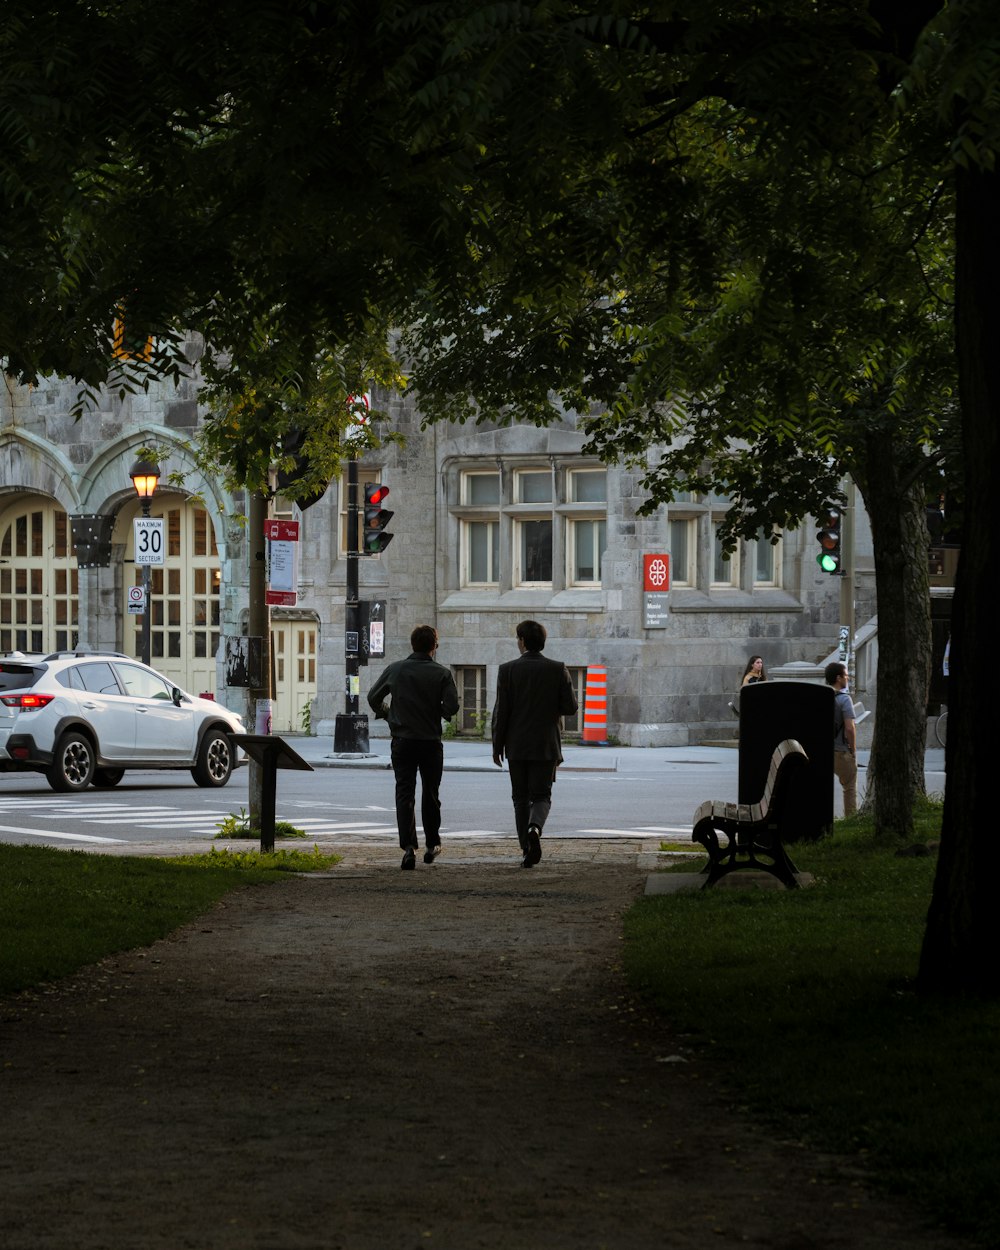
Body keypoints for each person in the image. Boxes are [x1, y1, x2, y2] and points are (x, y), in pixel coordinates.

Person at [368, 625, 459, 870]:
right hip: (430, 742)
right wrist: (434, 711)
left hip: (402, 741)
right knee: (431, 793)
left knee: (404, 793)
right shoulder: (441, 673)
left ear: (412, 645)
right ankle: (432, 843)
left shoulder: (395, 669)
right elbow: (452, 707)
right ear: (434, 646)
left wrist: (388, 714)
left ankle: (409, 847)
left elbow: (373, 697)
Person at [491, 620, 578, 868]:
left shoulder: (507, 670)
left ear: (522, 641)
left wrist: (497, 746)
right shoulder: (557, 669)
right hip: (545, 745)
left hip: (516, 745)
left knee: (519, 798)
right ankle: (535, 827)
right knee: (542, 796)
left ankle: (526, 848)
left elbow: (502, 712)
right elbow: (570, 707)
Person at [825, 660, 857, 817]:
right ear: (838, 678)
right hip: (840, 750)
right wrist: (852, 750)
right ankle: (851, 820)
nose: (848, 678)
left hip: (824, 750)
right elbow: (850, 728)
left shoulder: (822, 697)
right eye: (846, 675)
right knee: (849, 786)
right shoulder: (845, 699)